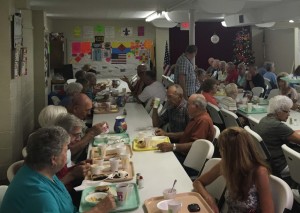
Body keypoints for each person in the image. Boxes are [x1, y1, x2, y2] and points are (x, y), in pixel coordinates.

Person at [0, 127, 116, 213]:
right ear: (53, 160)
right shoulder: (40, 196)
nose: (67, 154)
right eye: (65, 150)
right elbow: (46, 197)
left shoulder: (41, 169)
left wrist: (72, 174)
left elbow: (52, 190)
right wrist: (99, 210)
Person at [193, 127, 274, 213]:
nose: (220, 152)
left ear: (232, 154)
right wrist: (210, 199)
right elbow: (198, 182)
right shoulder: (225, 164)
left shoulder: (259, 172)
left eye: (222, 149)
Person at [156, 94, 215, 165]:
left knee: (158, 159)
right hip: (182, 154)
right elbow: (186, 134)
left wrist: (173, 146)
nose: (186, 107)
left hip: (187, 160)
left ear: (196, 107)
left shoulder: (203, 121)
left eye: (188, 104)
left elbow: (195, 145)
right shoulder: (197, 117)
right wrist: (166, 134)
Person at [256, 95, 300, 177]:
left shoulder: (264, 120)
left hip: (268, 162)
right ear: (279, 112)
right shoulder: (277, 126)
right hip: (280, 165)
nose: (289, 114)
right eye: (287, 111)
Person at [54, 113, 90, 207]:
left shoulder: (65, 150)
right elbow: (51, 188)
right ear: (63, 132)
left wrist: (78, 166)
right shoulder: (53, 153)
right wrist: (72, 174)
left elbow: (63, 172)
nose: (78, 139)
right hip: (63, 198)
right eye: (75, 135)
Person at [68, 93, 108, 162]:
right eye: (87, 110)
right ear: (75, 109)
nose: (89, 113)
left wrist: (96, 128)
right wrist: (91, 133)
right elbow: (69, 152)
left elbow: (85, 131)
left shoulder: (78, 118)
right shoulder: (68, 122)